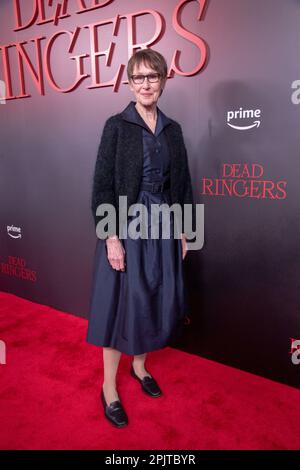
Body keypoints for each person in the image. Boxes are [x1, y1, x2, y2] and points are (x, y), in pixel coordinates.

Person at [86, 49, 195, 428]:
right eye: (139, 78)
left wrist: (185, 230)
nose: (146, 84)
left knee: (150, 300)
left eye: (153, 77)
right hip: (127, 226)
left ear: (163, 81)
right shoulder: (116, 125)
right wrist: (110, 237)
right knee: (120, 306)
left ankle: (140, 367)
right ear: (129, 83)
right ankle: (109, 388)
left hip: (163, 226)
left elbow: (181, 185)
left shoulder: (173, 129)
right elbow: (101, 185)